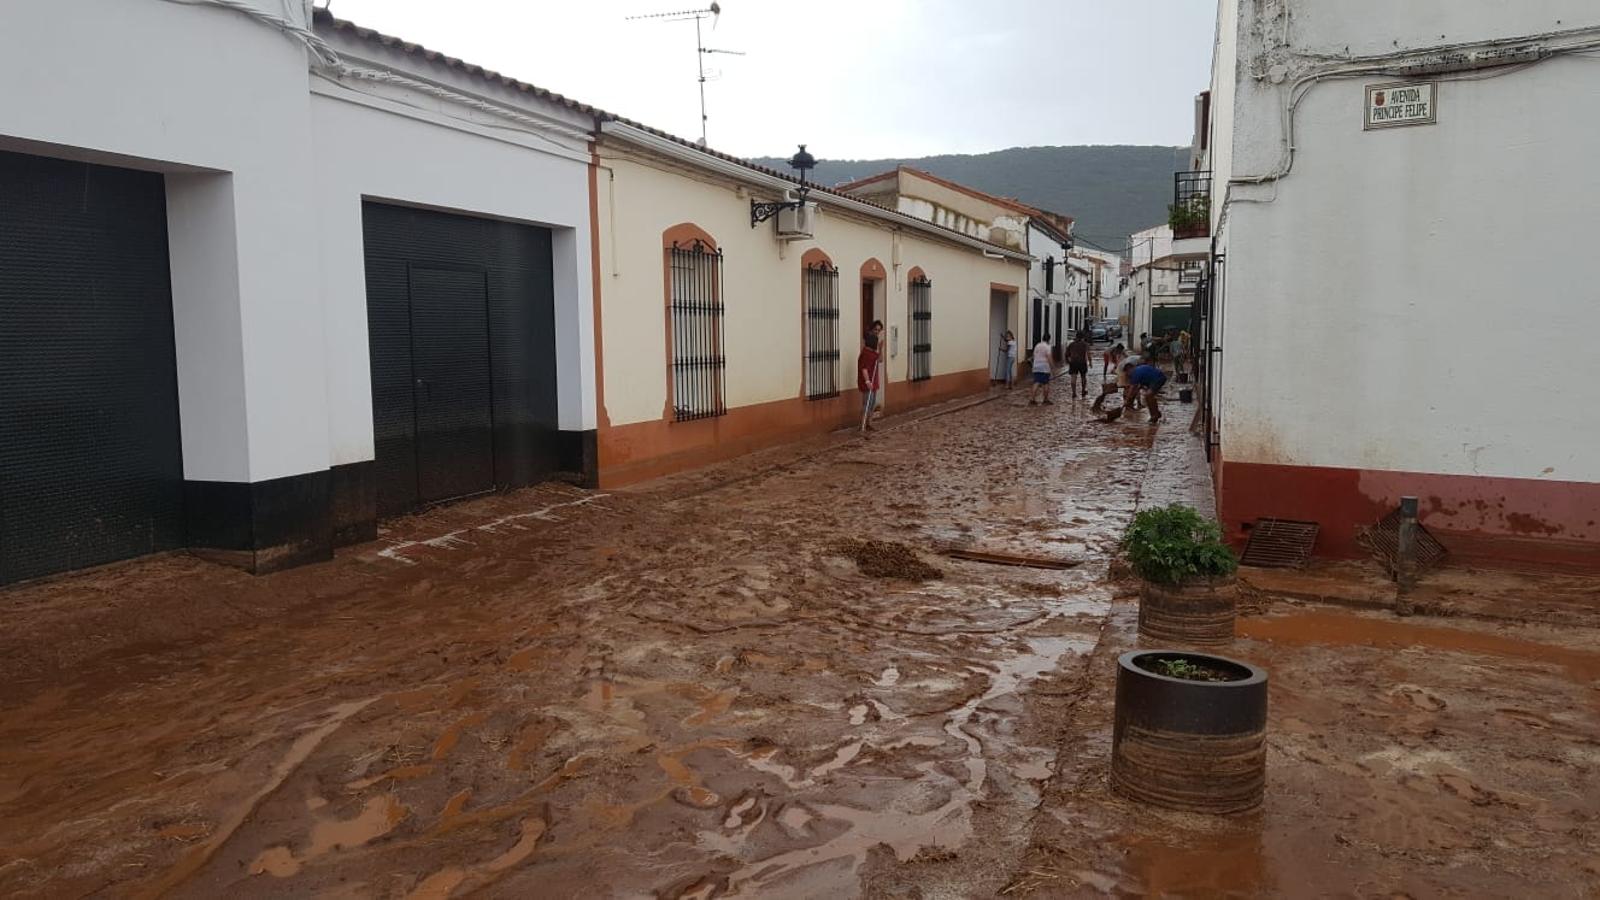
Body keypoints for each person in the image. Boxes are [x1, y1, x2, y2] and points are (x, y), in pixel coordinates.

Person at [1123, 360, 1168, 424]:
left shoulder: (1135, 374)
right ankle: (1156, 413)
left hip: (1157, 379)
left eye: (1127, 373)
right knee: (1150, 396)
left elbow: (1132, 389)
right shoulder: (1139, 369)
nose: (1128, 375)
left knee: (1148, 395)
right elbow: (1138, 387)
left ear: (1129, 369)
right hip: (1159, 378)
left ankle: (1154, 416)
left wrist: (1126, 400)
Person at [858, 332, 882, 434]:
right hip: (868, 383)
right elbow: (864, 369)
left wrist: (881, 349)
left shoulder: (873, 353)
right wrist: (867, 381)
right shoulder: (865, 354)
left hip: (874, 381)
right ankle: (862, 426)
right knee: (866, 404)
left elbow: (880, 360)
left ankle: (869, 423)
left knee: (872, 404)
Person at [1028, 332, 1055, 406]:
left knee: (1036, 382)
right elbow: (1049, 357)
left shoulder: (1037, 345)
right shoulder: (1048, 347)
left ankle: (1032, 399)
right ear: (1049, 339)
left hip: (1036, 366)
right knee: (1045, 383)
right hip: (1044, 367)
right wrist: (1052, 367)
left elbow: (1034, 355)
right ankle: (1045, 400)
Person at [1064, 330, 1090, 398]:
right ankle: (1083, 390)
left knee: (1073, 377)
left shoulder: (1071, 344)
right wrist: (1090, 362)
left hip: (1073, 362)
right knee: (1083, 377)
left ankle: (1074, 393)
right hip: (1082, 362)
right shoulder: (1085, 344)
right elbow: (1088, 354)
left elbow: (1066, 354)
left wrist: (1068, 361)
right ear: (1083, 337)